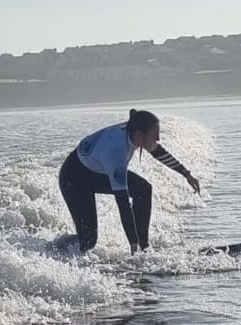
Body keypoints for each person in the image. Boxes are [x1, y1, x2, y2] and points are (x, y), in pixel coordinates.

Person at [58, 109, 200, 254]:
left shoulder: (134, 130)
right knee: (88, 241)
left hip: (97, 170)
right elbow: (123, 204)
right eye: (154, 135)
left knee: (143, 189)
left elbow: (158, 151)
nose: (158, 139)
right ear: (140, 135)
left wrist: (186, 174)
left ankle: (145, 246)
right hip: (74, 178)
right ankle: (57, 246)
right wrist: (132, 242)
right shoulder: (116, 153)